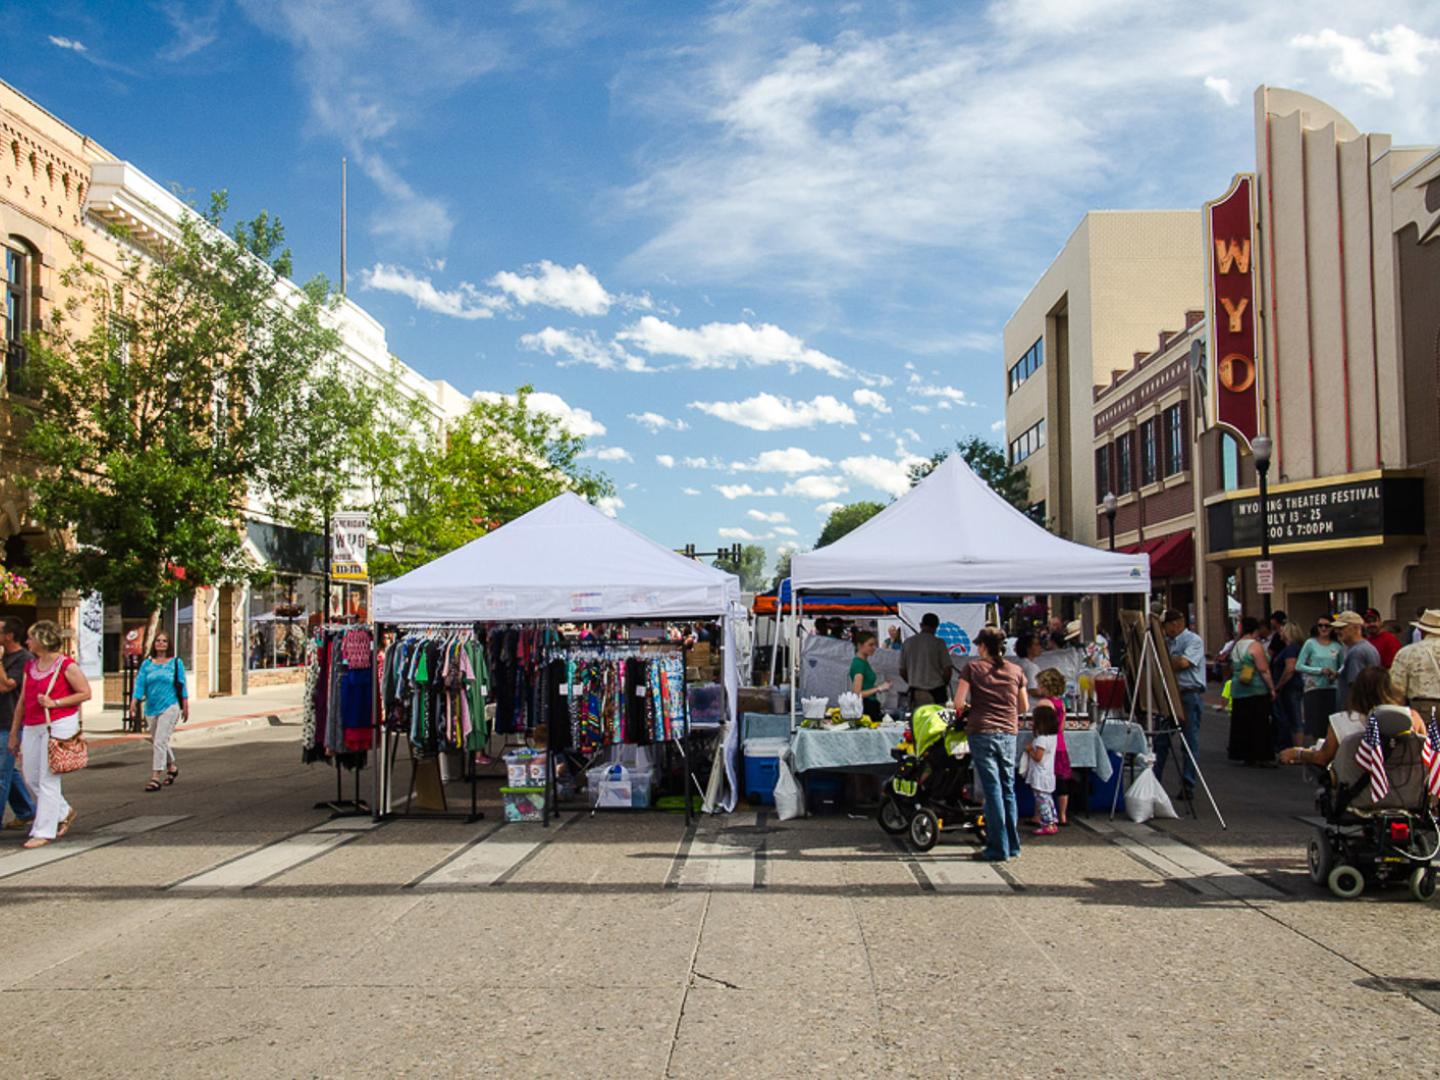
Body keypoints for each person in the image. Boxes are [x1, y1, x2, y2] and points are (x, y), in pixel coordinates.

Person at [7, 620, 92, 849]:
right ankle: (64, 811)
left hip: (58, 724)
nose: (27, 642)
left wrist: (55, 702)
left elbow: (85, 693)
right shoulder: (30, 666)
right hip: (33, 725)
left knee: (47, 778)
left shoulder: (66, 665)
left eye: (30, 638)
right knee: (30, 777)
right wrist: (15, 732)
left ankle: (44, 830)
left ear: (42, 640)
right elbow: (23, 700)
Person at [953, 627, 1028, 862]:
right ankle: (1012, 844)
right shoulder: (1016, 670)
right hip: (1008, 731)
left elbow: (958, 702)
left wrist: (969, 710)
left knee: (992, 789)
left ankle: (997, 847)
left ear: (983, 646)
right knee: (1007, 788)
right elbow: (1024, 707)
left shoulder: (973, 668)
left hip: (982, 731)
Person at [1279, 666, 1426, 769]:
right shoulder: (1412, 718)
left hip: (1358, 794)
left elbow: (1322, 758)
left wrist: (1297, 753)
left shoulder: (1342, 721)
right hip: (1407, 790)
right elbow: (1427, 753)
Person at [131, 630, 189, 792]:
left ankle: (155, 777)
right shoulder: (147, 664)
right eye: (158, 641)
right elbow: (140, 684)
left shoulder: (176, 663)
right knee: (159, 740)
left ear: (169, 644)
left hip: (170, 706)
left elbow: (181, 684)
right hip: (151, 707)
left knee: (159, 741)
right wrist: (134, 701)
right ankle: (172, 767)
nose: (161, 643)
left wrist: (185, 704)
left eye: (164, 641)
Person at [1156, 609, 1206, 798]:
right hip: (1169, 693)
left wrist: (1165, 661)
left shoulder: (1193, 641)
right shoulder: (1166, 643)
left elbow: (1184, 663)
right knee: (1161, 740)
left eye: (1166, 625)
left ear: (1176, 623)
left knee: (1189, 741)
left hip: (1189, 694)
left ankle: (1188, 783)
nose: (1165, 629)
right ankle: (1156, 780)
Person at [0, 616, 37, 831]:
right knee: (7, 772)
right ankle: (26, 811)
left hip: (9, 722)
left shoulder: (24, 659)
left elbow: (6, 687)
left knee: (1, 775)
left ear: (9, 635)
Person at [1226, 616, 1277, 765]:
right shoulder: (1255, 646)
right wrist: (1272, 689)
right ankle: (1260, 754)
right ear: (1256, 630)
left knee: (1241, 722)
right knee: (1259, 722)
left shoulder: (1236, 646)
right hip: (1255, 688)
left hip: (1238, 687)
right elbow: (1263, 669)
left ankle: (1243, 753)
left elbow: (1231, 665)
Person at [1034, 667, 1074, 825]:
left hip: (1047, 745)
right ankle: (1063, 815)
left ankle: (1039, 815)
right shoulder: (1061, 703)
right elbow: (1061, 727)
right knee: (1062, 781)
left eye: (1038, 684)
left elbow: (1040, 726)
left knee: (1041, 782)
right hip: (1060, 744)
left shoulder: (1044, 703)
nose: (1036, 688)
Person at [1296, 618, 1343, 741]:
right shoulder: (1310, 643)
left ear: (1332, 628)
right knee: (1314, 726)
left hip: (1331, 688)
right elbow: (1299, 665)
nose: (1323, 628)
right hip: (1313, 688)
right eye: (1320, 625)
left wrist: (1335, 674)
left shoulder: (1337, 646)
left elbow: (1343, 666)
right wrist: (1319, 670)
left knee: (1330, 724)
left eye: (1327, 626)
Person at [1389, 608, 1440, 720]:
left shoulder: (1408, 652)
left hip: (1423, 708)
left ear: (1422, 631)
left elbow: (1396, 689)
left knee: (1425, 737)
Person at [900, 613, 954, 708]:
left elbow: (902, 670)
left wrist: (913, 681)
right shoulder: (938, 643)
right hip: (936, 691)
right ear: (936, 627)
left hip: (916, 691)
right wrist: (944, 683)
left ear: (921, 625)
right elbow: (947, 669)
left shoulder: (908, 643)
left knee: (918, 720)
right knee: (938, 720)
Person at [1023, 701, 1060, 836]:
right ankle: (1052, 820)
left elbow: (1038, 757)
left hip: (1039, 774)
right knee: (1048, 798)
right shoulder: (1053, 737)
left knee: (1041, 800)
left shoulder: (1041, 739)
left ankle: (1048, 823)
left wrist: (1029, 750)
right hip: (1048, 774)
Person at [1332, 610, 1381, 710]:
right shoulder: (1367, 647)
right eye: (1336, 628)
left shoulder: (1357, 652)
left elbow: (1355, 685)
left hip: (1355, 711)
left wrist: (1350, 714)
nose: (1337, 631)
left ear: (1356, 628)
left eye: (1342, 628)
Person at [1271, 621, 1304, 750]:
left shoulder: (1291, 649)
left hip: (1290, 687)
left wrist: (1278, 685)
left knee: (1294, 716)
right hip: (1290, 687)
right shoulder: (1291, 648)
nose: (1280, 632)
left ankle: (1297, 748)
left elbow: (1290, 668)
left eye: (1283, 630)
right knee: (1291, 716)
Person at [848, 631, 892, 721]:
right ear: (860, 645)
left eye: (875, 645)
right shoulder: (859, 664)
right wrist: (879, 688)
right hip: (865, 706)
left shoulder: (863, 663)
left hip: (870, 704)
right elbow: (857, 693)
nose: (874, 648)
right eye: (870, 645)